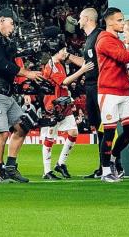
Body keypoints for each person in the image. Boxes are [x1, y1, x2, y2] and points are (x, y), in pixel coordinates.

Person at [0, 10, 46, 184]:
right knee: (1, 134)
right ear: (1, 20)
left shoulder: (2, 40)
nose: (13, 27)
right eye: (12, 23)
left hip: (5, 93)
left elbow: (11, 58)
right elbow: (2, 64)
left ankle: (11, 167)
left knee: (22, 127)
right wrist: (27, 74)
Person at [94, 7, 129, 182]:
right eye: (119, 20)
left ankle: (112, 158)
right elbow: (123, 57)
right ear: (109, 21)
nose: (122, 23)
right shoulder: (104, 40)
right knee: (109, 131)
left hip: (123, 91)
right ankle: (105, 171)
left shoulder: (116, 40)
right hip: (108, 91)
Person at [40, 48, 92, 179]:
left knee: (74, 132)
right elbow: (64, 82)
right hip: (53, 105)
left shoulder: (60, 64)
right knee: (50, 137)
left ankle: (60, 163)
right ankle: (47, 171)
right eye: (63, 50)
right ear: (56, 50)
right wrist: (82, 70)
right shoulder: (52, 65)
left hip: (64, 103)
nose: (65, 52)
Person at [76, 7, 102, 178]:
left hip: (100, 85)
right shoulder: (89, 39)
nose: (78, 21)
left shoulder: (99, 36)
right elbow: (87, 63)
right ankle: (103, 165)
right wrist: (70, 56)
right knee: (98, 126)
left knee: (104, 126)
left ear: (86, 19)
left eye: (80, 18)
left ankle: (112, 164)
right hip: (91, 86)